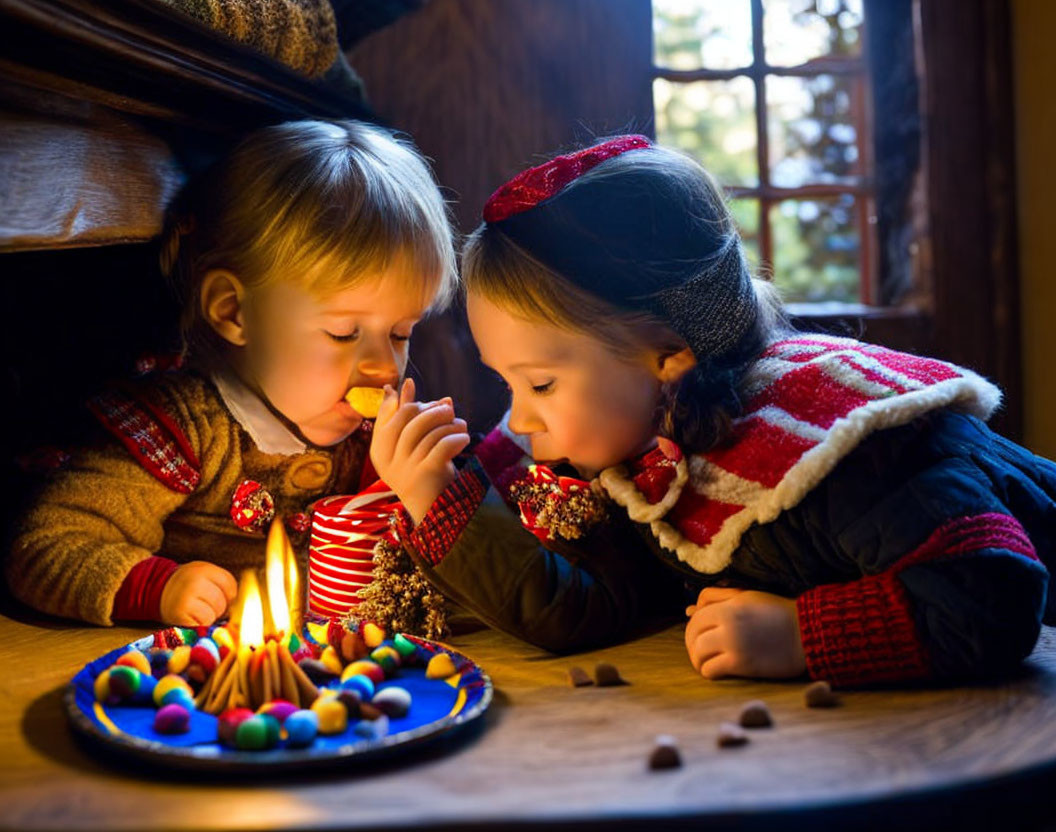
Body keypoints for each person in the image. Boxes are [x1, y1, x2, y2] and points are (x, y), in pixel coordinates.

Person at [370, 135, 1056, 686]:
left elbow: (993, 593)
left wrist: (802, 637)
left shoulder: (836, 440)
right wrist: (443, 502)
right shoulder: (647, 449)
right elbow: (585, 608)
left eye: (541, 385)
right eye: (508, 385)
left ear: (669, 353)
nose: (517, 422)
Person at [7, 119, 458, 628]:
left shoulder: (377, 436)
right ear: (234, 313)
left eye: (400, 333)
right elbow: (42, 545)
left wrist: (432, 491)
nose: (384, 367)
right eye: (342, 332)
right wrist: (156, 587)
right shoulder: (185, 432)